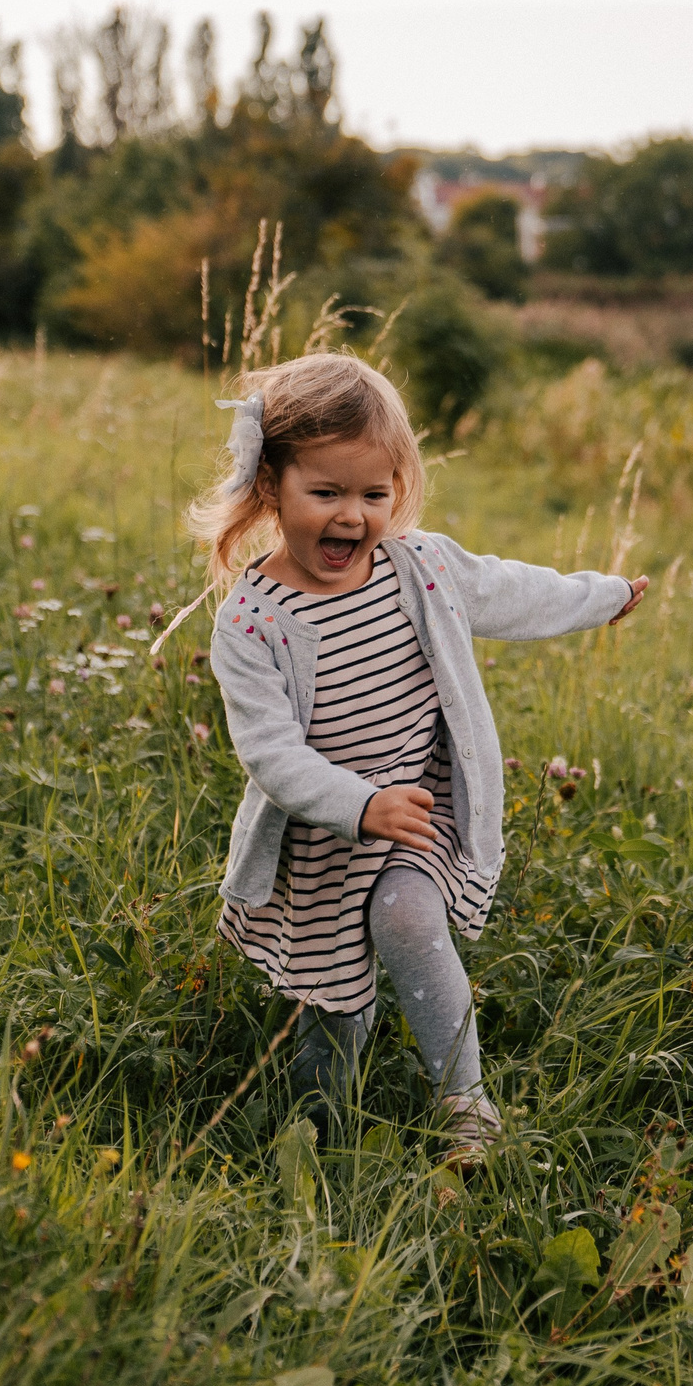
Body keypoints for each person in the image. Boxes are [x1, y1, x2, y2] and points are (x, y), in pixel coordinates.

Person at [190, 354, 645, 1166]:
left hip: (416, 816)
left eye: (374, 493)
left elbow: (513, 590)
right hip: (322, 846)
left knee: (407, 916)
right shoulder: (254, 623)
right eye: (325, 492)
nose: (352, 517)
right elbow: (270, 754)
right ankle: (316, 1144)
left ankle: (465, 1104)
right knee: (332, 1020)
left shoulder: (417, 566)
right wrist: (358, 805)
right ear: (271, 485)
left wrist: (602, 595)